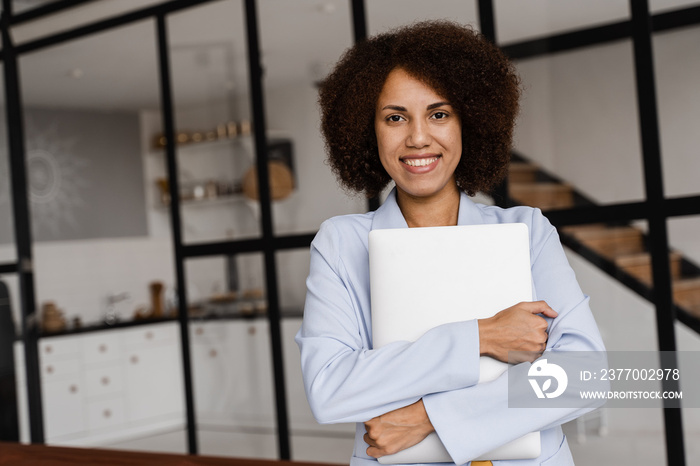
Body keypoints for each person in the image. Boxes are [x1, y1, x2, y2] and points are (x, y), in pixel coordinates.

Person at [296, 20, 605, 465]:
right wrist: (482, 336)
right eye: (395, 117)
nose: (418, 137)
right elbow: (330, 389)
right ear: (369, 130)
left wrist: (431, 417)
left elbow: (584, 375)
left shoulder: (527, 231)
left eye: (439, 114)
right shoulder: (341, 244)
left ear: (469, 123)